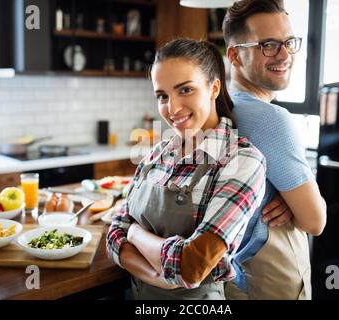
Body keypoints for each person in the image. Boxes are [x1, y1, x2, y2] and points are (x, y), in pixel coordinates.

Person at [106, 38, 267, 299]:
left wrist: (134, 233)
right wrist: (158, 277)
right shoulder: (158, 154)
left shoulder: (242, 161)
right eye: (162, 96)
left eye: (185, 90)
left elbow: (190, 267)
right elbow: (114, 234)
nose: (172, 109)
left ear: (214, 88)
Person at [222, 0, 327, 299]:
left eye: (289, 42)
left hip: (236, 276)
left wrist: (280, 193)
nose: (284, 55)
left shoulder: (221, 105)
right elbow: (315, 221)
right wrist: (301, 201)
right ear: (234, 55)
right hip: (272, 281)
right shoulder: (271, 120)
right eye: (268, 44)